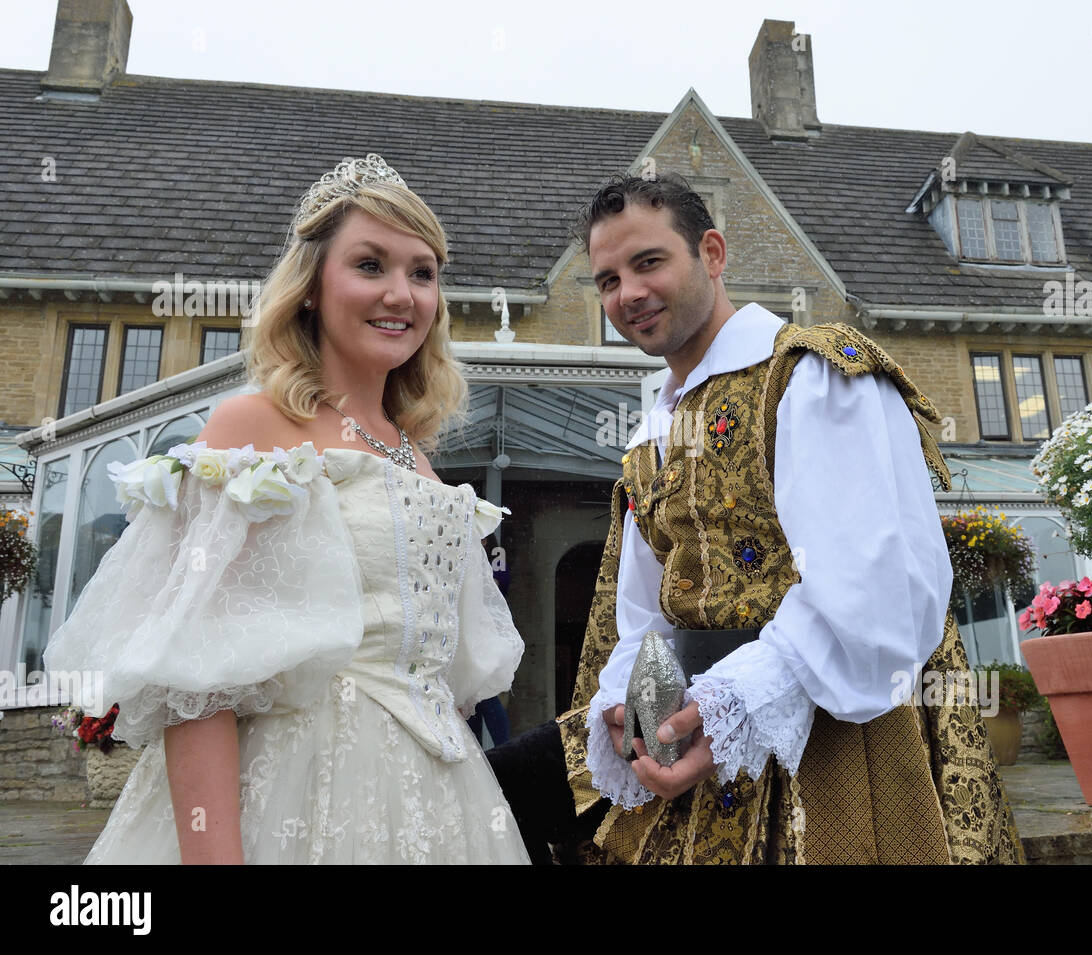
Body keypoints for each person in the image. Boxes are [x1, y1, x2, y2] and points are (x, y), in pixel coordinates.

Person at [43, 154, 531, 864]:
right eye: (371, 265)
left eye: (422, 272)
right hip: (288, 804)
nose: (402, 293)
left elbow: (444, 683)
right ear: (310, 288)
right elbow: (198, 681)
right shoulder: (252, 429)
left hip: (440, 811)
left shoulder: (417, 459)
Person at [549, 172, 1025, 863]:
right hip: (692, 756)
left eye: (649, 262)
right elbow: (642, 619)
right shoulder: (650, 435)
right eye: (607, 280)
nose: (628, 294)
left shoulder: (811, 375)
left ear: (711, 253)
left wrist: (733, 705)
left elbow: (880, 591)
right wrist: (633, 703)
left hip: (836, 745)